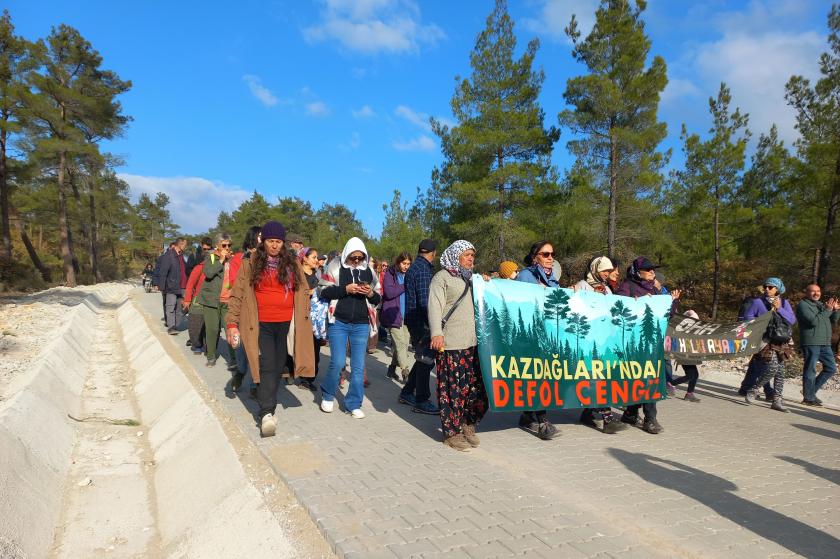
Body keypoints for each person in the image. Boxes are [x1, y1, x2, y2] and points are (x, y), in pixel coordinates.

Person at [226, 221, 315, 437]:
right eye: (270, 241)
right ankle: (267, 412)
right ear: (262, 241)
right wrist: (231, 323)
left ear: (282, 243)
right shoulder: (251, 262)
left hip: (286, 323)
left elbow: (303, 289)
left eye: (278, 242)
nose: (274, 246)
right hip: (261, 323)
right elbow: (237, 293)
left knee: (277, 368)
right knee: (266, 365)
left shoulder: (291, 263)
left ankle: (267, 401)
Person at [428, 240, 488, 451]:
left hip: (473, 344)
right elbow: (435, 307)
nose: (471, 258)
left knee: (475, 389)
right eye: (467, 255)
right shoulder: (442, 278)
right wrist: (436, 333)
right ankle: (451, 433)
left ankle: (468, 424)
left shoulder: (474, 280)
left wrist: (489, 282)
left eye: (473, 255)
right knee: (453, 390)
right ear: (455, 256)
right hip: (451, 343)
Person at [615, 256, 681, 434]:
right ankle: (649, 419)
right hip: (633, 342)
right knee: (640, 377)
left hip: (651, 343)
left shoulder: (655, 290)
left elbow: (665, 316)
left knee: (648, 378)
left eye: (653, 269)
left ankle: (631, 412)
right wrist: (636, 303)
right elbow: (618, 309)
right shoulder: (627, 286)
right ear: (638, 272)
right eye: (649, 269)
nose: (653, 272)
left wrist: (672, 301)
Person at [318, 237, 381, 418]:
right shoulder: (335, 267)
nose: (356, 261)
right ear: (347, 254)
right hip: (339, 321)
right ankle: (328, 394)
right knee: (338, 362)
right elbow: (323, 291)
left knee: (359, 366)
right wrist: (345, 289)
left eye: (360, 258)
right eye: (353, 257)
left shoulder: (368, 271)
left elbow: (378, 298)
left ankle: (353, 403)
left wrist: (369, 292)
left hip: (361, 324)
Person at [573, 256, 628, 434]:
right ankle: (608, 420)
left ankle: (588, 413)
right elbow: (575, 306)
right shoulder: (583, 285)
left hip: (603, 340)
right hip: (587, 341)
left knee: (601, 378)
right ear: (596, 269)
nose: (607, 274)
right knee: (597, 378)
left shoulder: (606, 289)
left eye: (608, 271)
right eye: (604, 270)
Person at [515, 241, 562, 440]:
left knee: (541, 375)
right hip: (530, 335)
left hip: (548, 333)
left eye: (552, 253)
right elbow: (517, 301)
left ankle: (527, 415)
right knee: (538, 375)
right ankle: (543, 422)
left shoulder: (554, 279)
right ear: (535, 257)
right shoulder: (526, 276)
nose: (550, 257)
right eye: (545, 254)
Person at [741, 277, 797, 412]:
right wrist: (759, 323)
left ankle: (777, 400)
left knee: (780, 371)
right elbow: (748, 318)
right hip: (765, 340)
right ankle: (754, 390)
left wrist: (779, 309)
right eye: (765, 286)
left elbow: (792, 320)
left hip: (781, 340)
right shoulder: (757, 302)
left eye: (770, 287)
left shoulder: (784, 302)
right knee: (772, 368)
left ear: (778, 289)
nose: (767, 289)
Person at [399, 239, 441, 415]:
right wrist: (433, 324)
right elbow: (425, 302)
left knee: (422, 358)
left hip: (413, 319)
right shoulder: (423, 270)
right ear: (433, 253)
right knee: (426, 361)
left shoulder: (415, 267)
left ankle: (407, 392)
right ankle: (422, 400)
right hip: (422, 322)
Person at [195, 234, 236, 368]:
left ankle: (234, 360)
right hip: (211, 300)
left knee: (231, 330)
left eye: (229, 245)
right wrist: (222, 261)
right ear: (218, 245)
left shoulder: (234, 259)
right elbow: (208, 273)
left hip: (228, 301)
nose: (227, 248)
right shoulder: (211, 256)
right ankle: (211, 356)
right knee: (212, 329)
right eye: (224, 245)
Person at [795, 284, 839, 406]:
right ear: (806, 292)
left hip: (824, 342)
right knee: (811, 369)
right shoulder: (803, 305)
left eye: (818, 291)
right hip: (811, 342)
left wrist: (835, 310)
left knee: (831, 368)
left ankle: (810, 392)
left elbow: (832, 320)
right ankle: (808, 398)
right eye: (813, 291)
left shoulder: (820, 305)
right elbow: (813, 322)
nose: (816, 293)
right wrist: (828, 310)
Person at [229, 226, 261, 394]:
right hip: (244, 309)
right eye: (261, 236)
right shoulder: (240, 259)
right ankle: (240, 372)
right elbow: (235, 283)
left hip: (261, 310)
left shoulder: (267, 259)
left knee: (258, 348)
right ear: (254, 238)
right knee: (242, 348)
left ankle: (256, 383)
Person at [382, 252, 412, 384]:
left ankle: (392, 368)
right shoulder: (390, 274)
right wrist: (405, 286)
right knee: (400, 344)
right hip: (393, 315)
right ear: (398, 262)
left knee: (404, 345)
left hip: (407, 316)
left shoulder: (409, 275)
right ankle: (406, 373)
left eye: (408, 264)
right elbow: (389, 293)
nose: (406, 266)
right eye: (404, 263)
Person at [296, 246, 322, 391]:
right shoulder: (297, 275)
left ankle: (309, 378)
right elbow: (297, 293)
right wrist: (311, 292)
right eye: (313, 257)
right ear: (305, 258)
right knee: (302, 347)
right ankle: (298, 374)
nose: (316, 260)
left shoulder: (316, 275)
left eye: (316, 258)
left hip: (315, 317)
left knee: (315, 349)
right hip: (301, 315)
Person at [158, 237, 188, 334]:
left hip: (182, 286)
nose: (186, 247)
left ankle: (175, 324)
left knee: (181, 308)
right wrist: (162, 287)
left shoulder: (181, 256)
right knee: (170, 307)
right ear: (180, 244)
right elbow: (163, 272)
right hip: (171, 286)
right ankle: (171, 327)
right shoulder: (169, 255)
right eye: (185, 244)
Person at [671, 310, 702, 402]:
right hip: (683, 355)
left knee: (695, 375)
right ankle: (671, 384)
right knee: (690, 375)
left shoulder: (691, 329)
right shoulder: (682, 328)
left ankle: (689, 394)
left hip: (689, 355)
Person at [182, 259, 207, 355]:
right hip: (198, 298)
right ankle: (197, 344)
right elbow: (190, 284)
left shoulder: (221, 266)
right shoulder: (199, 268)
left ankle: (209, 346)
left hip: (214, 300)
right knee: (196, 323)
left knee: (210, 326)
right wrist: (187, 299)